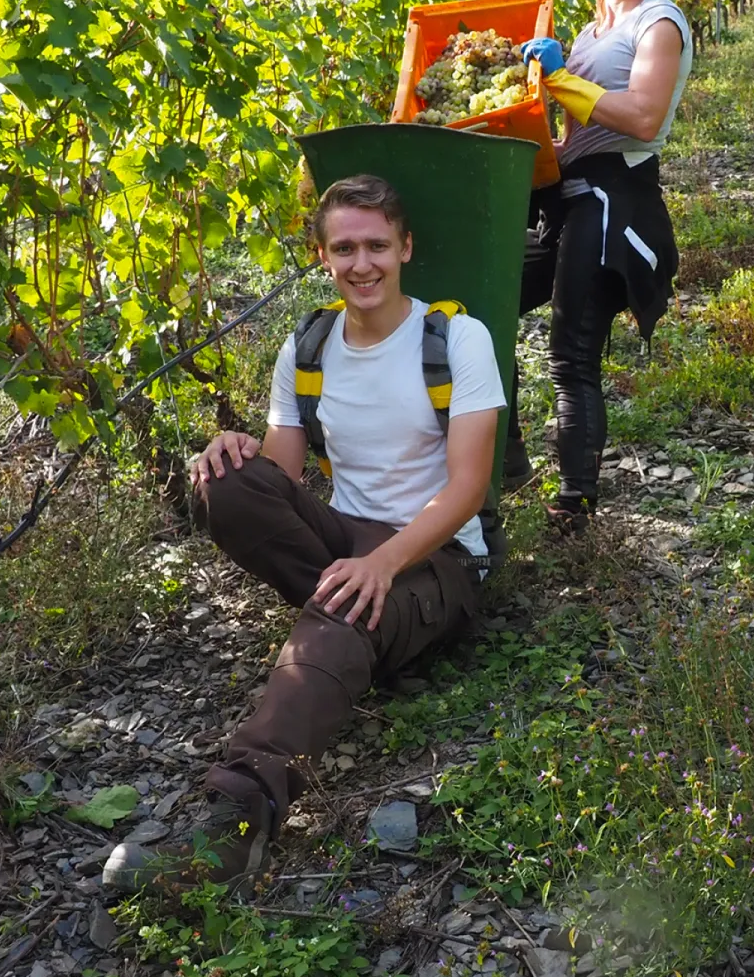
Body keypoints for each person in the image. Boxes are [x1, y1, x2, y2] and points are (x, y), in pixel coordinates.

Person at [102, 174, 506, 892]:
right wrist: (231, 450)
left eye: (377, 245)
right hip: (347, 535)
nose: (362, 264)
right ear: (323, 255)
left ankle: (235, 823)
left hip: (439, 554)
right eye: (344, 248)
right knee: (230, 483)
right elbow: (281, 480)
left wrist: (383, 563)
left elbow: (468, 488)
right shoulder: (309, 345)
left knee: (347, 603)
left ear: (405, 248)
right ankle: (355, 624)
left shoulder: (456, 339)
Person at [504, 0, 694, 530]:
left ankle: (574, 505)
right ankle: (506, 459)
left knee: (571, 352)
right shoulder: (590, 33)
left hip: (615, 198)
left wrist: (562, 82)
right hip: (569, 194)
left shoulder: (659, 23)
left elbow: (642, 116)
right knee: (480, 308)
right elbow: (573, 141)